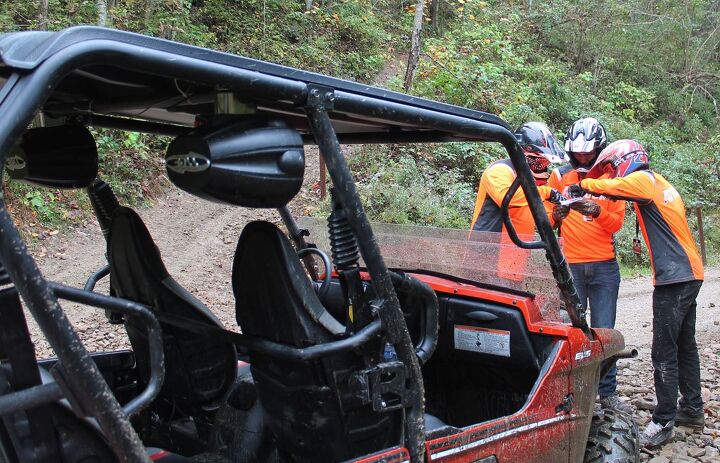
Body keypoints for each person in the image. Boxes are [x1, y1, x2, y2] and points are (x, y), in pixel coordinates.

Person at [571, 139, 705, 449]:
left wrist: (584, 184)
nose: (613, 172)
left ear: (625, 161)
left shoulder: (642, 180)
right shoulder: (661, 182)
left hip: (674, 277)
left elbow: (614, 187)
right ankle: (693, 408)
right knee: (685, 345)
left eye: (613, 167)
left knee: (663, 351)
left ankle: (663, 419)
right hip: (690, 272)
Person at [549, 117, 631, 414]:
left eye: (588, 154)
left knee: (604, 330)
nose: (583, 158)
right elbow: (544, 218)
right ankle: (571, 392)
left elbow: (616, 224)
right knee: (570, 329)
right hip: (570, 264)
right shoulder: (559, 176)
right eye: (578, 154)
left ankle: (607, 393)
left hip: (604, 268)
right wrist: (557, 215)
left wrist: (596, 210)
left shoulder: (613, 178)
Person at [470, 122, 565, 281]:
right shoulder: (500, 171)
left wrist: (555, 217)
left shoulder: (528, 181)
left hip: (513, 262)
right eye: (541, 162)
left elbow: (528, 217)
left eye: (545, 163)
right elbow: (509, 198)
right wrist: (548, 192)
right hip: (487, 260)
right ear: (525, 154)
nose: (543, 167)